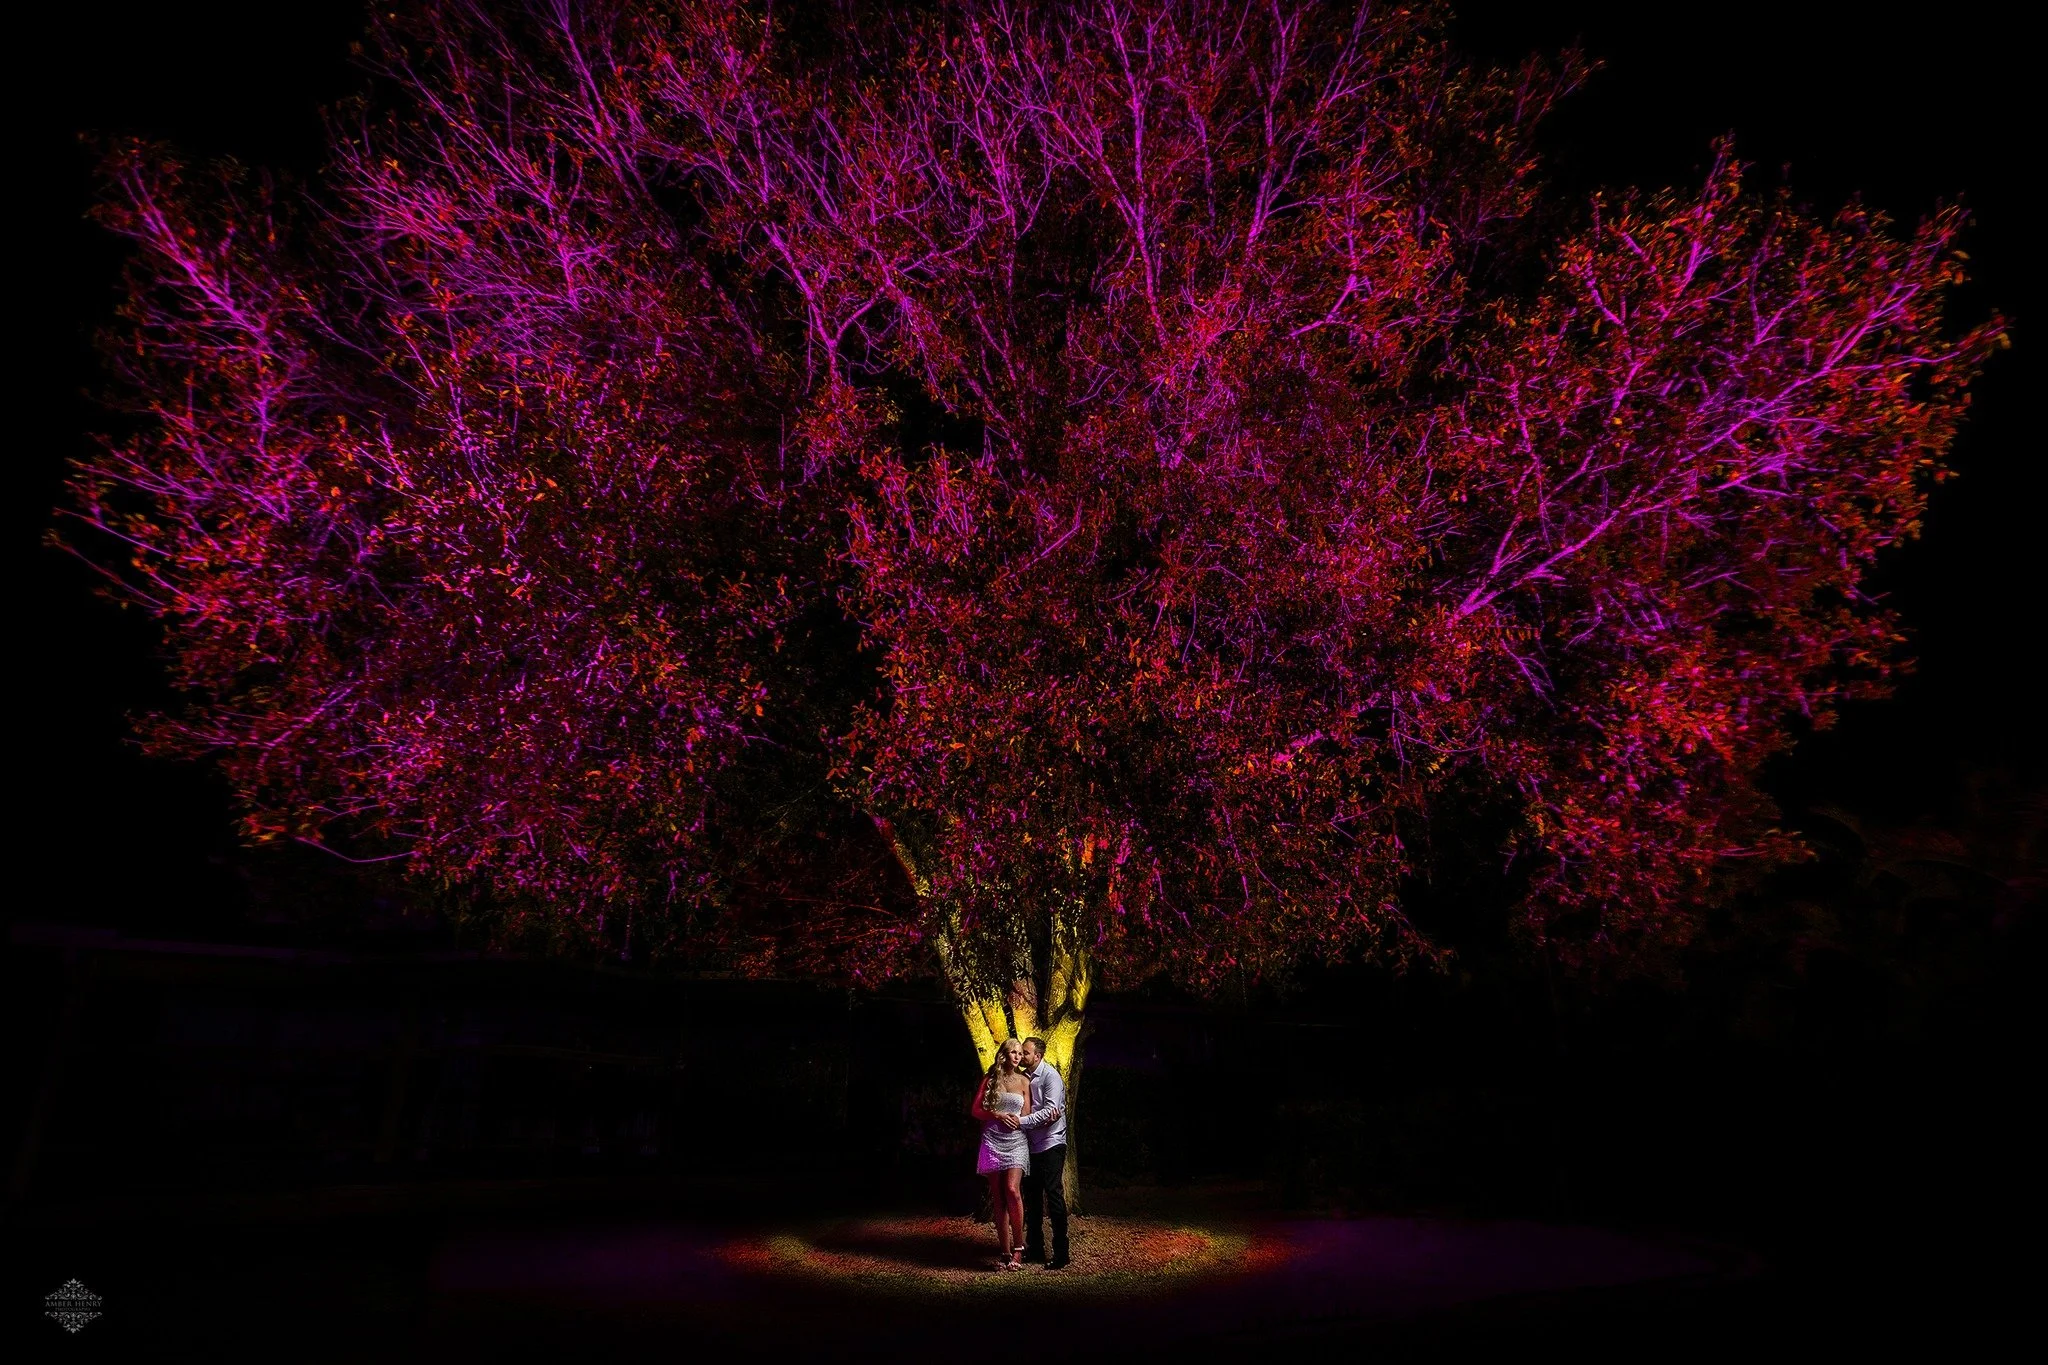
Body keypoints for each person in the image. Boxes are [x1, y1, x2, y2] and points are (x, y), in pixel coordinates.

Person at [969, 1037, 1034, 1270]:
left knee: (1012, 1190)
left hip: (1016, 1140)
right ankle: (1005, 1252)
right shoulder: (990, 1079)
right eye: (1012, 1053)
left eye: (1019, 1053)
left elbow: (1026, 1116)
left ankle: (1019, 1249)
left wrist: (1020, 1121)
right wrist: (996, 1114)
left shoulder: (1025, 1081)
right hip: (992, 1140)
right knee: (998, 1196)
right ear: (1004, 1055)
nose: (1017, 1057)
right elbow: (976, 1110)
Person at [1017, 1036, 1070, 1269]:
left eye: (1026, 1053)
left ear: (1037, 1056)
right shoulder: (1024, 1078)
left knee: (1054, 1195)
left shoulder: (1051, 1077)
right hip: (1032, 1145)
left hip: (1052, 1144)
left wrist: (1022, 1122)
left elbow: (1051, 1112)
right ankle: (1035, 1248)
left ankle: (1061, 1254)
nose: (1021, 1056)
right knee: (1033, 1199)